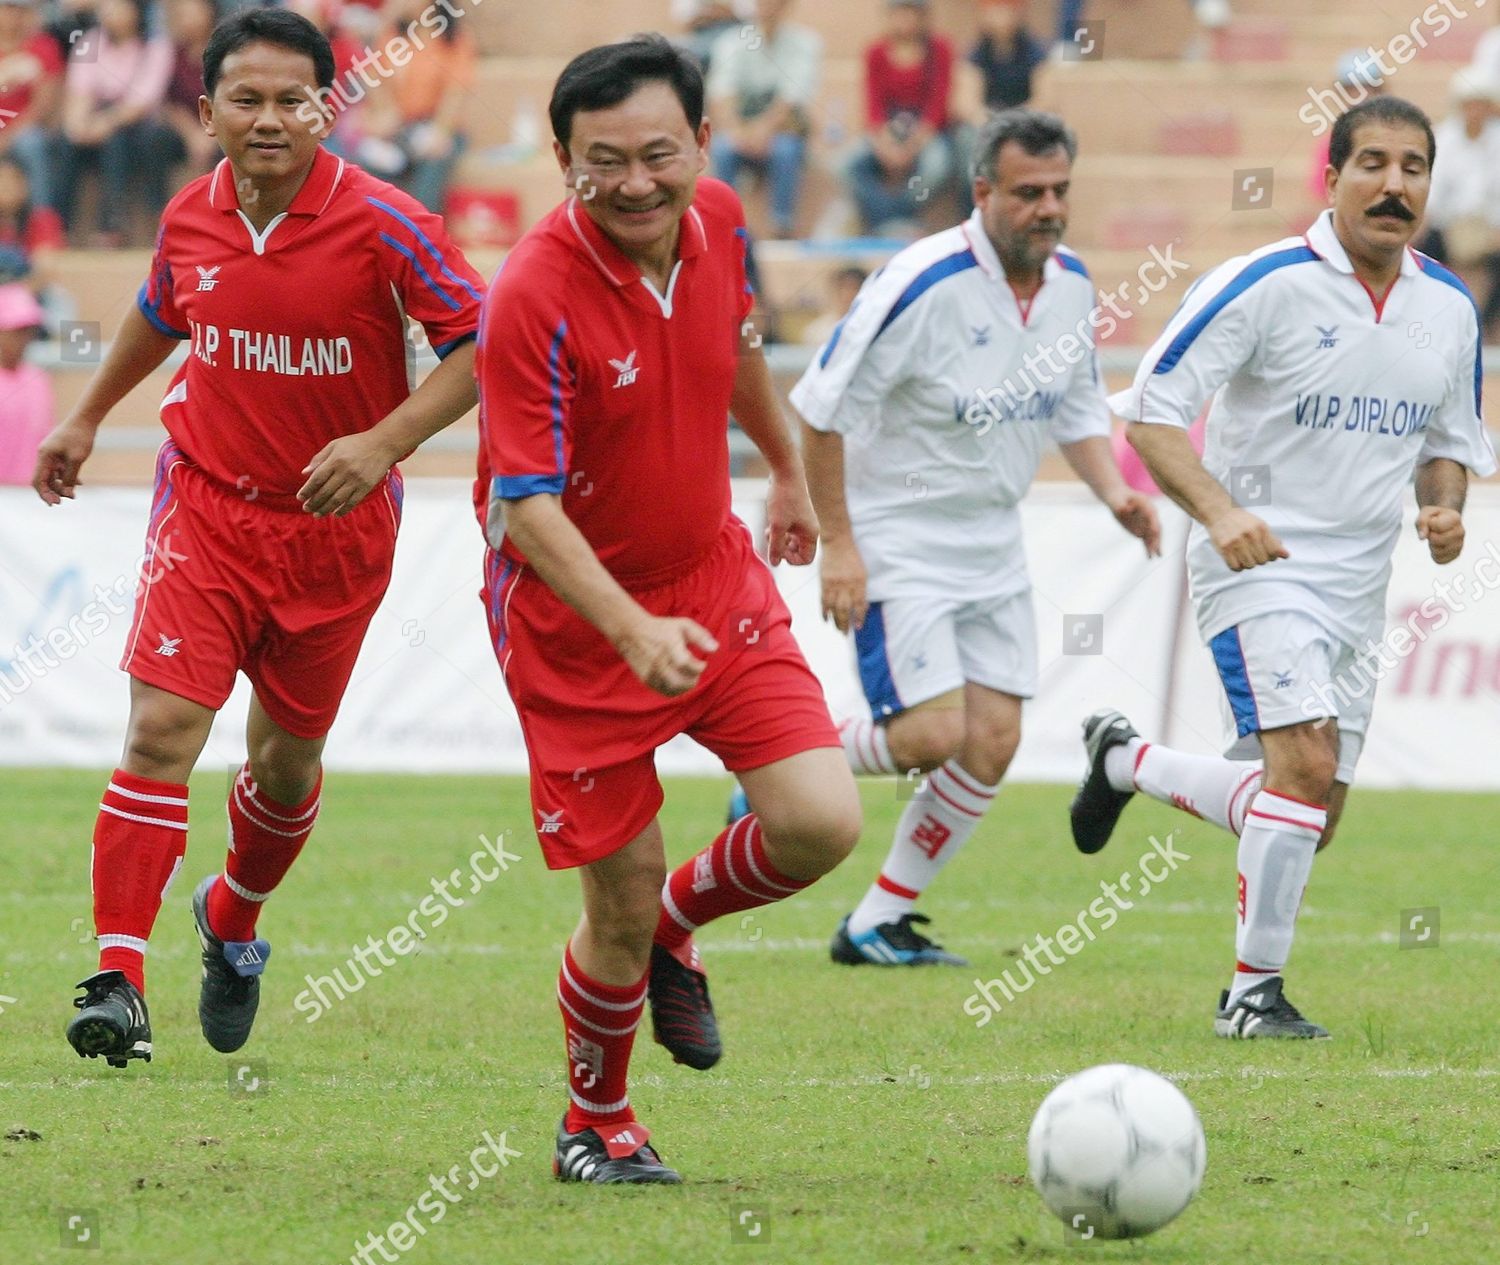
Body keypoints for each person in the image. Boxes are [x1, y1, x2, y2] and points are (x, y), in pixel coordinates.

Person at [35, 6, 484, 1070]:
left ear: (327, 108)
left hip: (334, 532)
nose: (271, 117)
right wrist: (86, 414)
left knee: (284, 766)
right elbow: (159, 309)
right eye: (248, 98)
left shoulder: (388, 222)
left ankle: (232, 919)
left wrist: (382, 441)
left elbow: (480, 344)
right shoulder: (192, 216)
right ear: (207, 111)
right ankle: (119, 978)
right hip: (205, 508)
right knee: (160, 730)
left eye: (293, 98)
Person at [475, 35, 860, 1184]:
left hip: (712, 576)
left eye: (658, 153)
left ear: (702, 140)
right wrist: (630, 630)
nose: (634, 181)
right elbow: (526, 505)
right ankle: (594, 1120)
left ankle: (677, 930)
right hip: (572, 619)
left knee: (818, 822)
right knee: (619, 892)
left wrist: (784, 469)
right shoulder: (531, 292)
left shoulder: (724, 219)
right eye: (602, 161)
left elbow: (737, 334)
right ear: (561, 160)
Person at [1072, 96, 1495, 1040]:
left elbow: (1449, 441)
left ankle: (1125, 759)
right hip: (1255, 566)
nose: (1394, 185)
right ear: (1333, 176)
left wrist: (1444, 507)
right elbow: (1148, 410)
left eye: (1414, 168)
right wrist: (1222, 512)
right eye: (1373, 164)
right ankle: (1251, 995)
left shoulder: (1449, 308)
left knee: (1308, 807)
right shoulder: (1263, 283)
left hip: (1358, 583)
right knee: (1299, 768)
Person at [790, 108, 1159, 966]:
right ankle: (781, 768)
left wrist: (1114, 494)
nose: (1049, 208)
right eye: (1029, 192)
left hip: (992, 540)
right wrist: (840, 543)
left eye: (1061, 190)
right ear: (983, 190)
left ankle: (876, 921)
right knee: (927, 735)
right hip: (898, 535)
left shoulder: (1070, 284)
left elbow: (1071, 405)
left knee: (992, 739)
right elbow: (818, 409)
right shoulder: (920, 283)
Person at [54, 0, 176, 244]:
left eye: (119, 6)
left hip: (137, 124)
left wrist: (104, 124)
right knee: (63, 142)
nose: (110, 12)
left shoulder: (156, 45)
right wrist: (78, 125)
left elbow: (143, 100)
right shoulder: (89, 40)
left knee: (116, 142)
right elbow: (79, 90)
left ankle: (112, 225)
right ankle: (57, 224)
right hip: (95, 117)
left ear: (136, 10)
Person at [706, 0, 821, 239]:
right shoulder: (730, 42)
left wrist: (762, 130)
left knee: (786, 151)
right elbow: (721, 95)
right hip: (741, 130)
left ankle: (782, 226)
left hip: (783, 130)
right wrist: (739, 131)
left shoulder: (805, 42)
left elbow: (792, 99)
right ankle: (724, 224)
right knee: (723, 148)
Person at [845, 0, 954, 235]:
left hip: (926, 133)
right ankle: (883, 218)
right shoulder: (875, 52)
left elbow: (938, 105)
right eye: (899, 13)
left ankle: (901, 214)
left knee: (936, 166)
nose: (905, 20)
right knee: (847, 164)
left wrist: (913, 146)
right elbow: (873, 104)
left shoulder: (939, 50)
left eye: (910, 13)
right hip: (887, 131)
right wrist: (885, 144)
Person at [357, 0, 477, 212]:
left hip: (439, 127)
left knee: (432, 160)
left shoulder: (453, 39)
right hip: (401, 129)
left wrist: (441, 130)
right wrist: (384, 115)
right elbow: (374, 80)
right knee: (366, 161)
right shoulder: (392, 36)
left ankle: (422, 227)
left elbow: (456, 92)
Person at [1417, 70, 1500, 337]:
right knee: (1422, 254)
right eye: (1470, 105)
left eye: (1480, 105)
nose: (1475, 111)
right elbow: (1435, 192)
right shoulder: (1443, 138)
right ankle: (1429, 318)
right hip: (1448, 223)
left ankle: (1486, 323)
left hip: (1490, 225)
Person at [0, 0, 64, 211]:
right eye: (7, 8)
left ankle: (43, 223)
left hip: (26, 130)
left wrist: (7, 135)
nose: (11, 15)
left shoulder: (43, 46)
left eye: (17, 9)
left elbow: (43, 106)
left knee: (32, 145)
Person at [159, 0, 221, 181]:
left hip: (221, 126)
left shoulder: (224, 52)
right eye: (182, 15)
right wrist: (191, 133)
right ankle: (157, 205)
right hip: (185, 128)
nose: (187, 20)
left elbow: (231, 99)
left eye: (193, 13)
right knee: (156, 137)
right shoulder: (171, 54)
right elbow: (168, 103)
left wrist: (211, 132)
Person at [0, 282, 51, 485]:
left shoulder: (37, 379)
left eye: (29, 331)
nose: (24, 339)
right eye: (16, 330)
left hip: (28, 498)